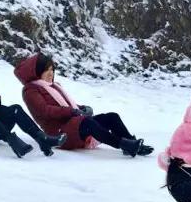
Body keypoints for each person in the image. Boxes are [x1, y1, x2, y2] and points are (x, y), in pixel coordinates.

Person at [14, 52, 153, 157]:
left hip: (72, 123)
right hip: (59, 133)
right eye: (46, 70)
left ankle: (133, 144)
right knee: (88, 123)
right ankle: (124, 145)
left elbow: (67, 105)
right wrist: (72, 112)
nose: (51, 73)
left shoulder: (54, 86)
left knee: (111, 117)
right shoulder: (30, 90)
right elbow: (45, 111)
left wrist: (81, 108)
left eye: (52, 69)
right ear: (37, 71)